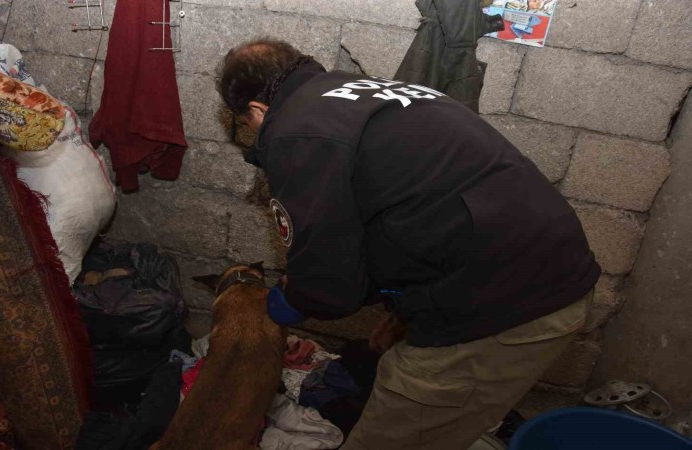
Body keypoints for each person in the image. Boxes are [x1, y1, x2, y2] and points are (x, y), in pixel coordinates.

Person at [217, 38, 600, 450]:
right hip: (540, 269)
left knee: (391, 427)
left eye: (248, 124)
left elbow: (330, 287)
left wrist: (284, 302)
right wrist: (405, 312)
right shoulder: (367, 91)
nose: (255, 133)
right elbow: (419, 213)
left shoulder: (295, 131)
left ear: (257, 109)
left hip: (506, 302)